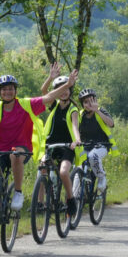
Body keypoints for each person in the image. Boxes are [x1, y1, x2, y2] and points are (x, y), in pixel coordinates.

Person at [0, 66, 78, 212]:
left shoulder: (26, 104)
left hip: (21, 148)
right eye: (4, 89)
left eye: (11, 88)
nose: (7, 92)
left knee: (15, 154)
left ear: (16, 91)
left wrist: (68, 84)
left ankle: (18, 192)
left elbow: (48, 97)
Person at [37, 64, 81, 216]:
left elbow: (75, 126)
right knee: (42, 169)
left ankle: (70, 199)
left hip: (67, 147)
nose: (63, 92)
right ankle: (40, 204)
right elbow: (43, 92)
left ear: (70, 91)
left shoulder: (73, 109)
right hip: (50, 145)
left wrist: (76, 141)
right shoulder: (54, 105)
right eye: (60, 89)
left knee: (63, 172)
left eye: (66, 89)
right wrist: (51, 77)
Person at [78, 88, 118, 192]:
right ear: (82, 104)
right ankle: (76, 196)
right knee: (77, 168)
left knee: (93, 156)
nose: (89, 104)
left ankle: (101, 177)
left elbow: (111, 124)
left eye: (91, 101)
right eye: (86, 102)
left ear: (96, 100)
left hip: (102, 145)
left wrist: (97, 111)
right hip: (85, 146)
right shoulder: (80, 115)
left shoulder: (100, 110)